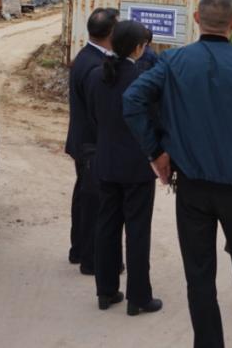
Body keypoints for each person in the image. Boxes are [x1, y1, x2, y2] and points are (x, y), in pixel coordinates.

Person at [124, 0, 232, 348]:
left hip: (192, 189)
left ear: (197, 20)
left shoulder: (172, 63)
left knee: (199, 277)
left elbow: (132, 100)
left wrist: (156, 152)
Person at [89, 20, 163, 316]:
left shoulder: (97, 75)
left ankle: (105, 291)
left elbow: (95, 118)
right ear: (138, 47)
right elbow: (154, 122)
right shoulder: (144, 79)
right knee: (137, 231)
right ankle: (139, 298)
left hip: (105, 161)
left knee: (106, 226)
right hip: (136, 166)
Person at [66, 8, 119, 273]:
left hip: (83, 141)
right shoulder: (96, 66)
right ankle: (91, 258)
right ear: (110, 32)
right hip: (92, 145)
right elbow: (99, 111)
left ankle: (78, 250)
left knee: (84, 198)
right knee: (95, 203)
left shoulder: (85, 57)